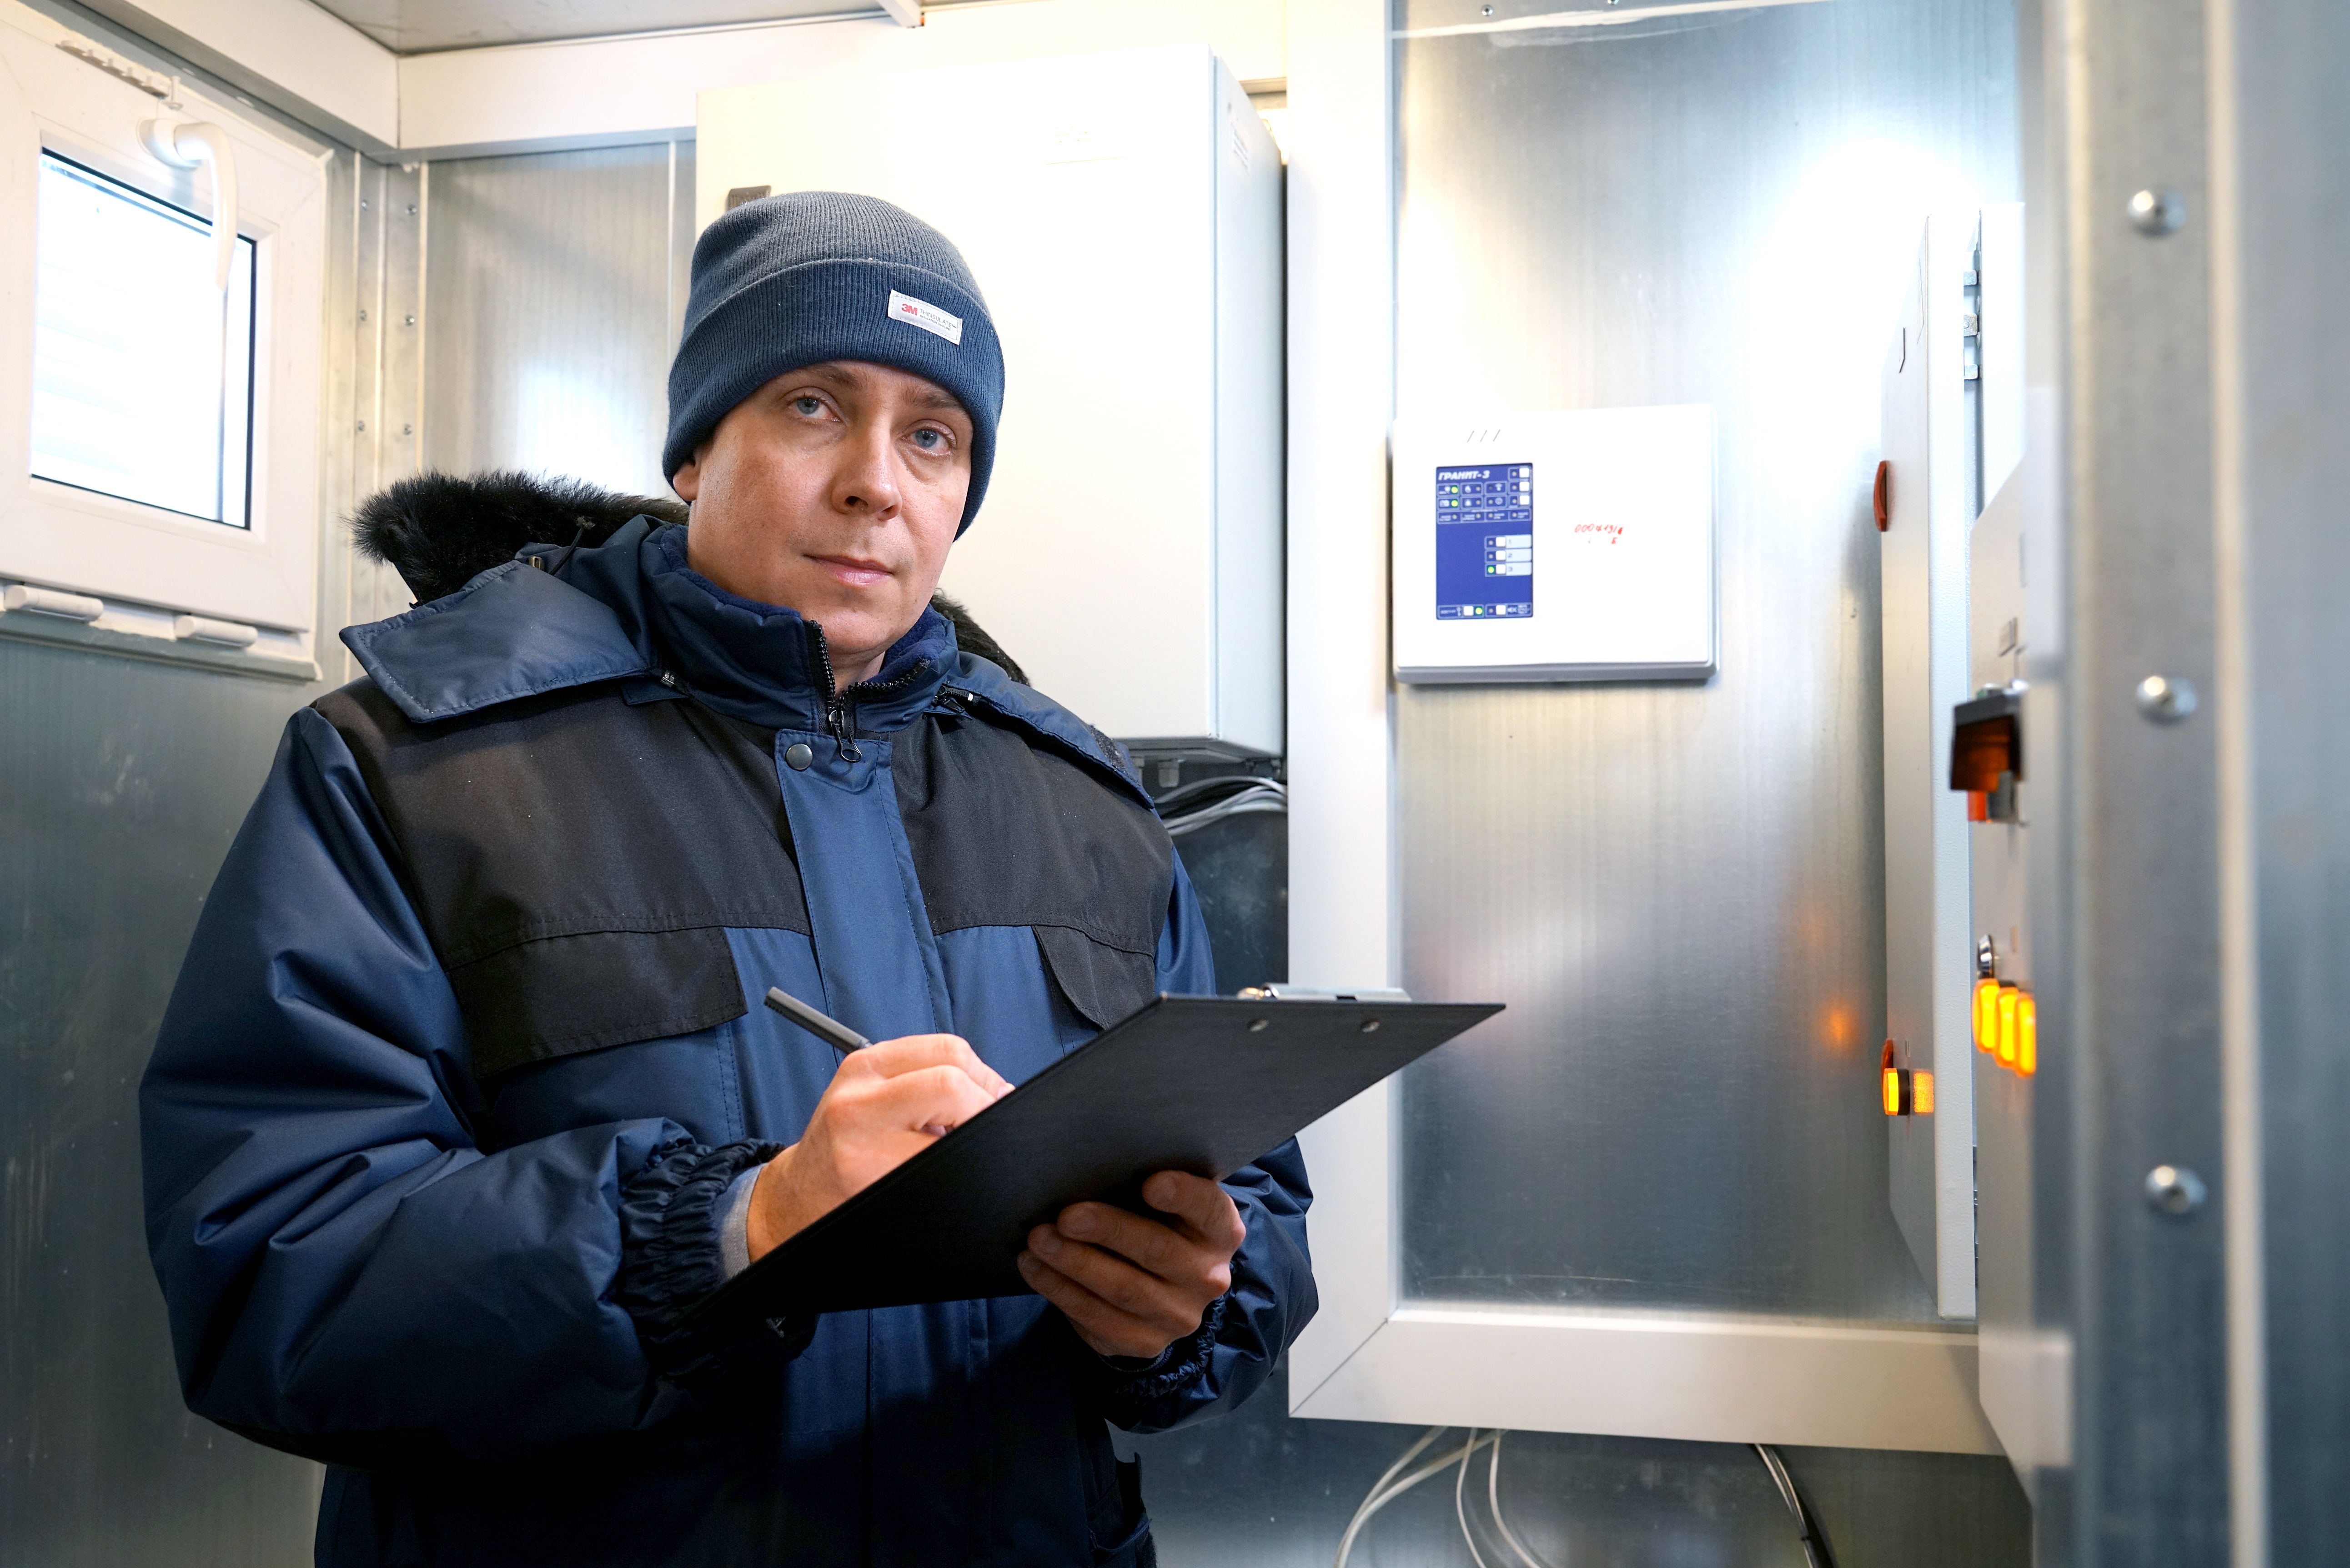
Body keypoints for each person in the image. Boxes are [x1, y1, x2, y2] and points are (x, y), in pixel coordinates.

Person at [139, 192, 1315, 1567]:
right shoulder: (414, 770)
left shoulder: (1086, 804)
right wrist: (733, 1228)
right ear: (697, 450)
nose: (876, 481)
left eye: (933, 434)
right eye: (815, 406)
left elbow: (1257, 1211)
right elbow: (270, 1269)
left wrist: (1183, 1305)